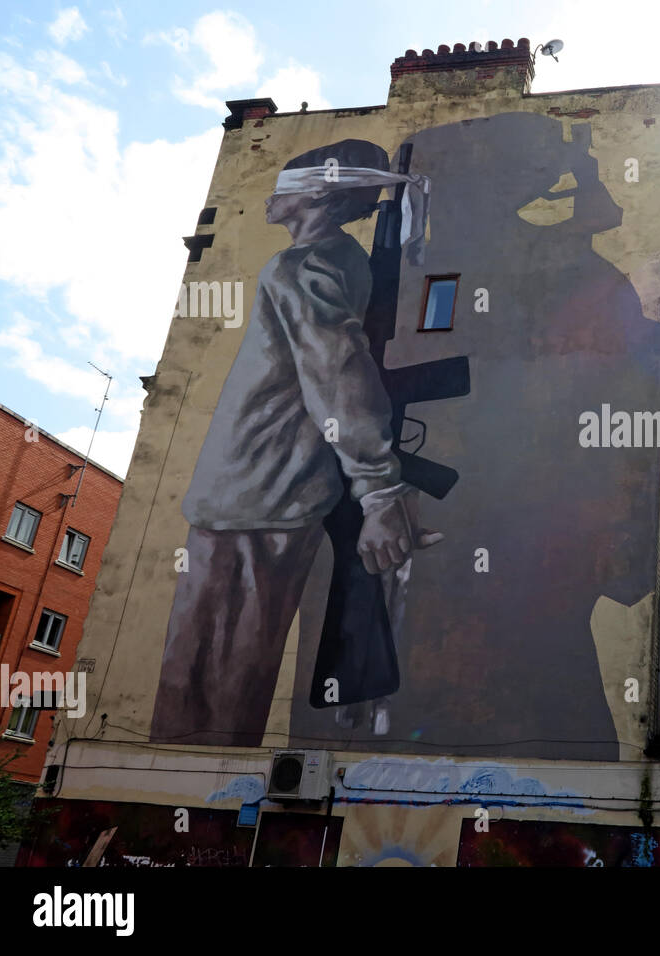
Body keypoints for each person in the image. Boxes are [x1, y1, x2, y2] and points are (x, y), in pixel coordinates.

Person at [150, 139, 439, 747]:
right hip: (253, 494)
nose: (271, 193)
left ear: (320, 195)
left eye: (286, 182)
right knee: (206, 677)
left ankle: (200, 806)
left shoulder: (305, 267)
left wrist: (381, 491)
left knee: (209, 691)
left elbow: (340, 376)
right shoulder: (326, 260)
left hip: (258, 496)